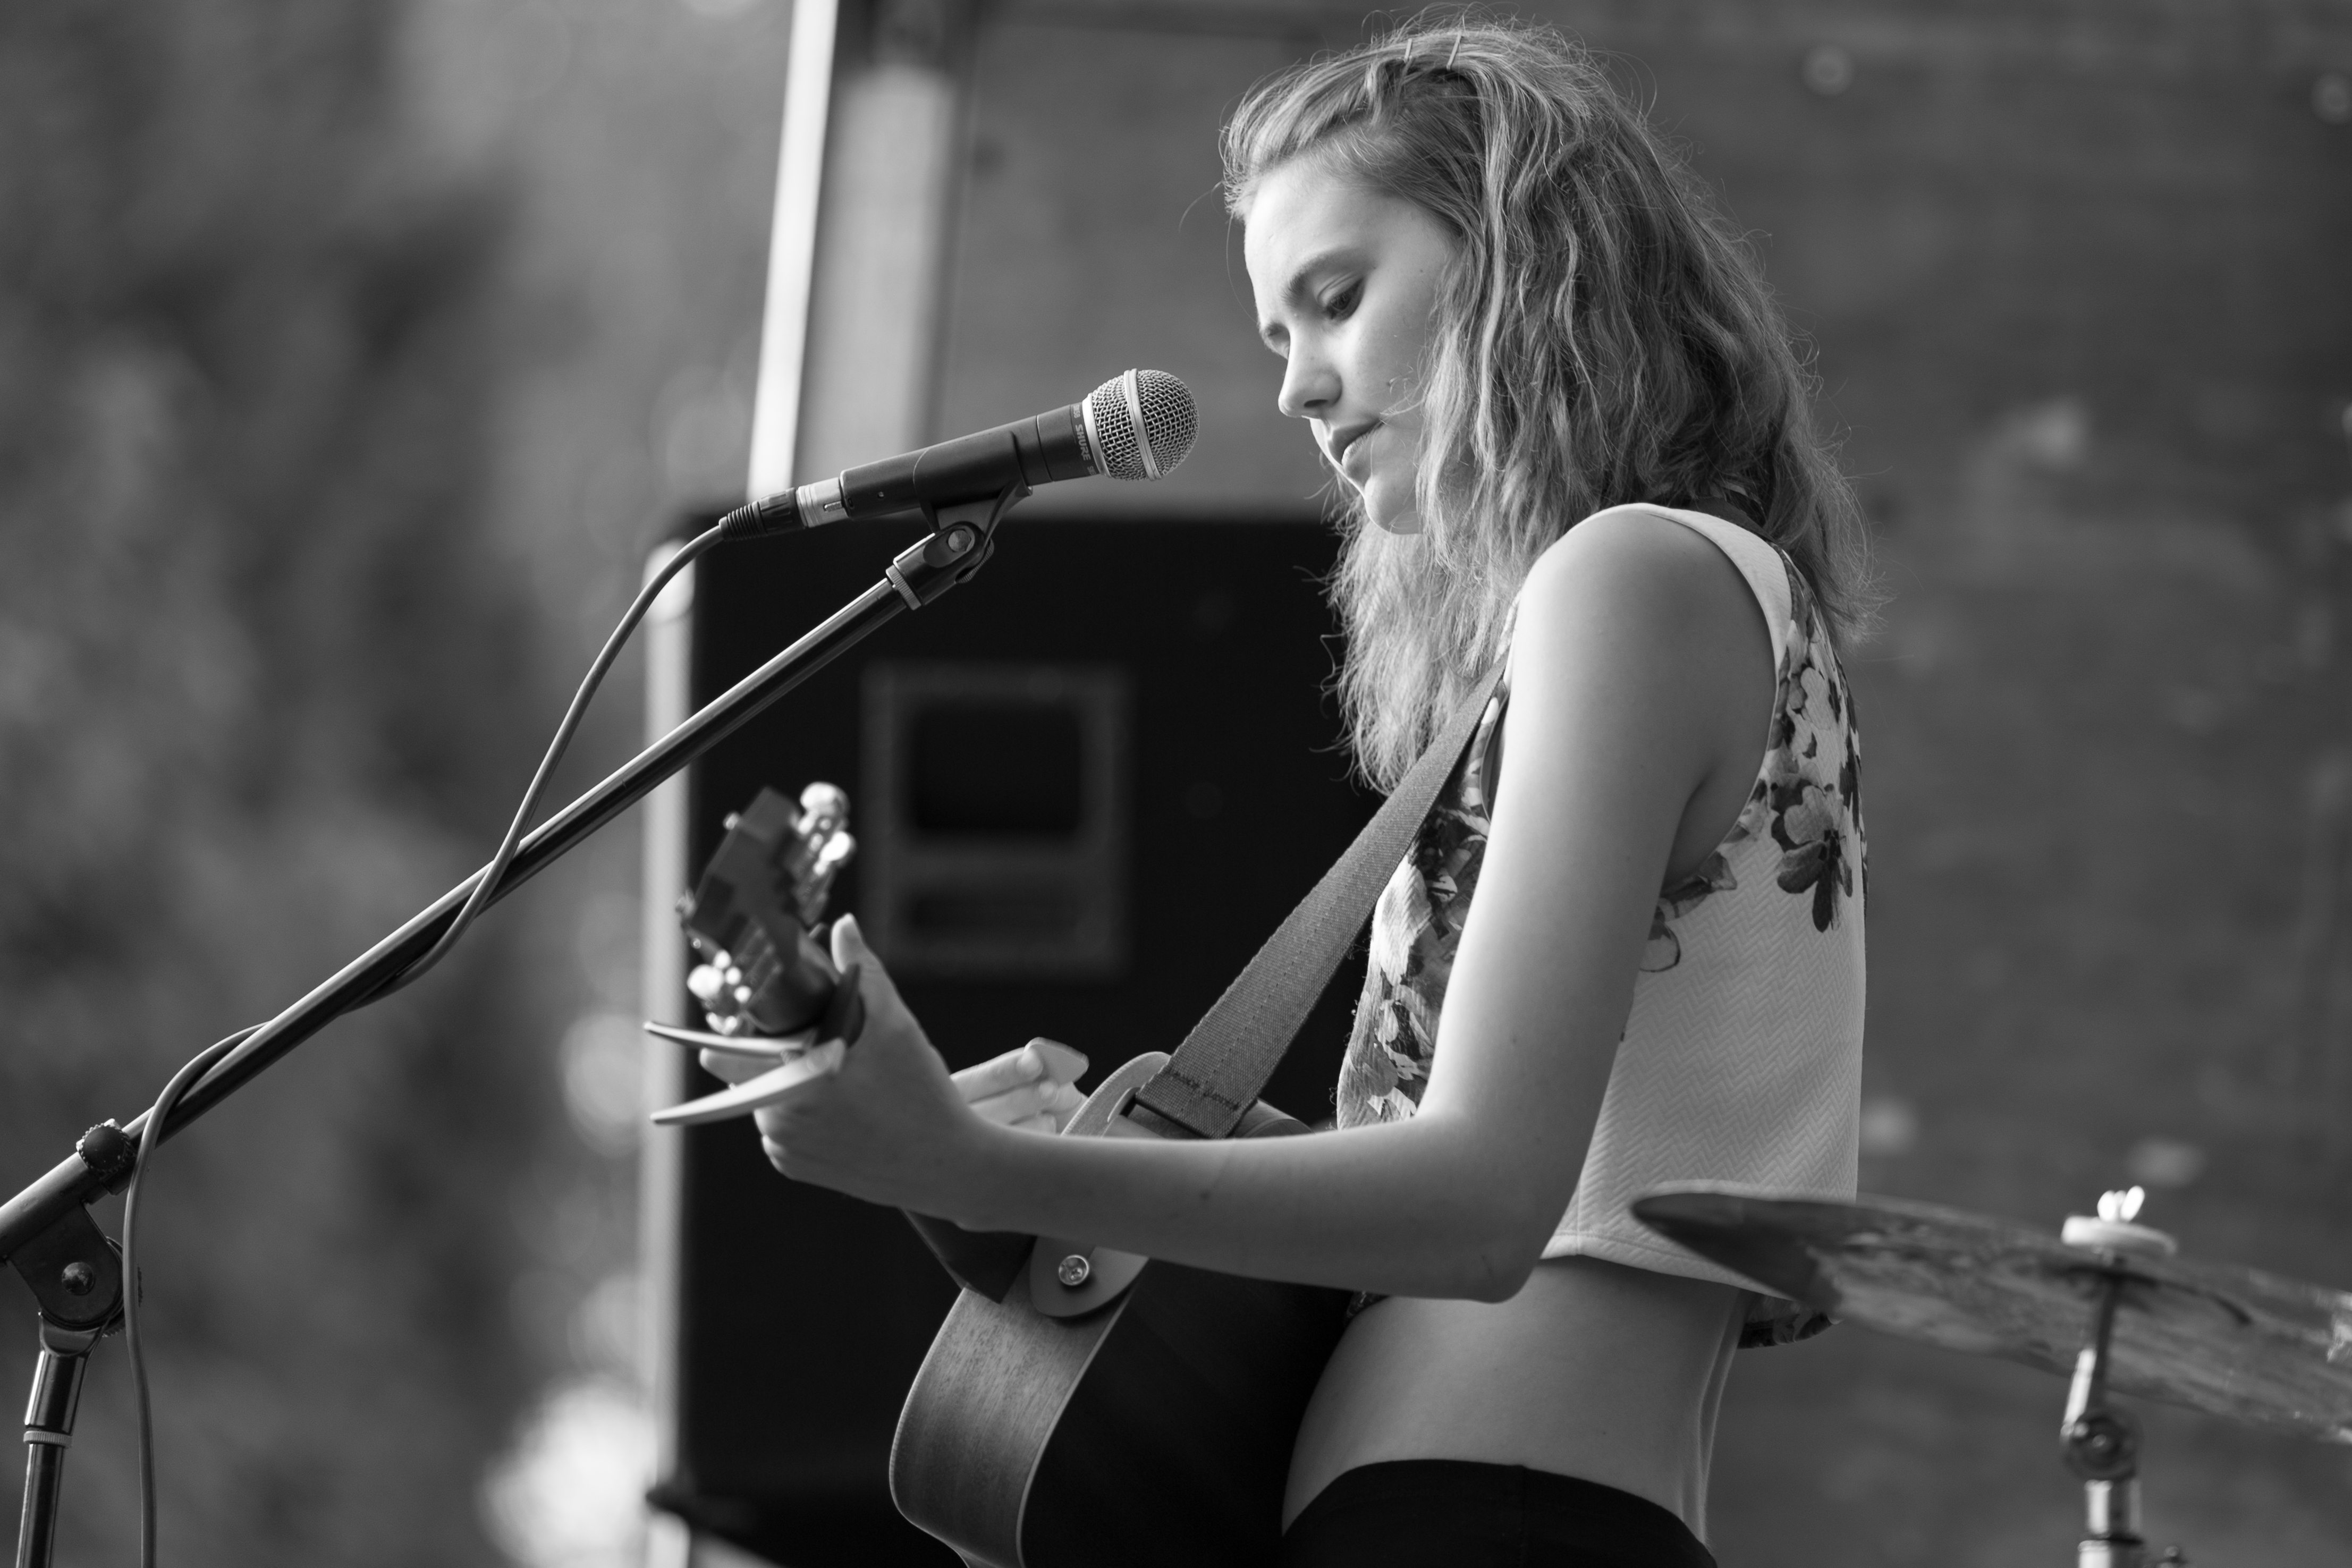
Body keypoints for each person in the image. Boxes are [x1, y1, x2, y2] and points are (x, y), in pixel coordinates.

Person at [705, 14, 1870, 1565]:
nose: (1300, 389)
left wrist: (976, 1163)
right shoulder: (1662, 605)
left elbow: (1478, 1206)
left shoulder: (1627, 579)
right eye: (1275, 337)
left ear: (1523, 260)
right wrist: (1076, 1169)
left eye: (1337, 299)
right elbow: (1535, 1197)